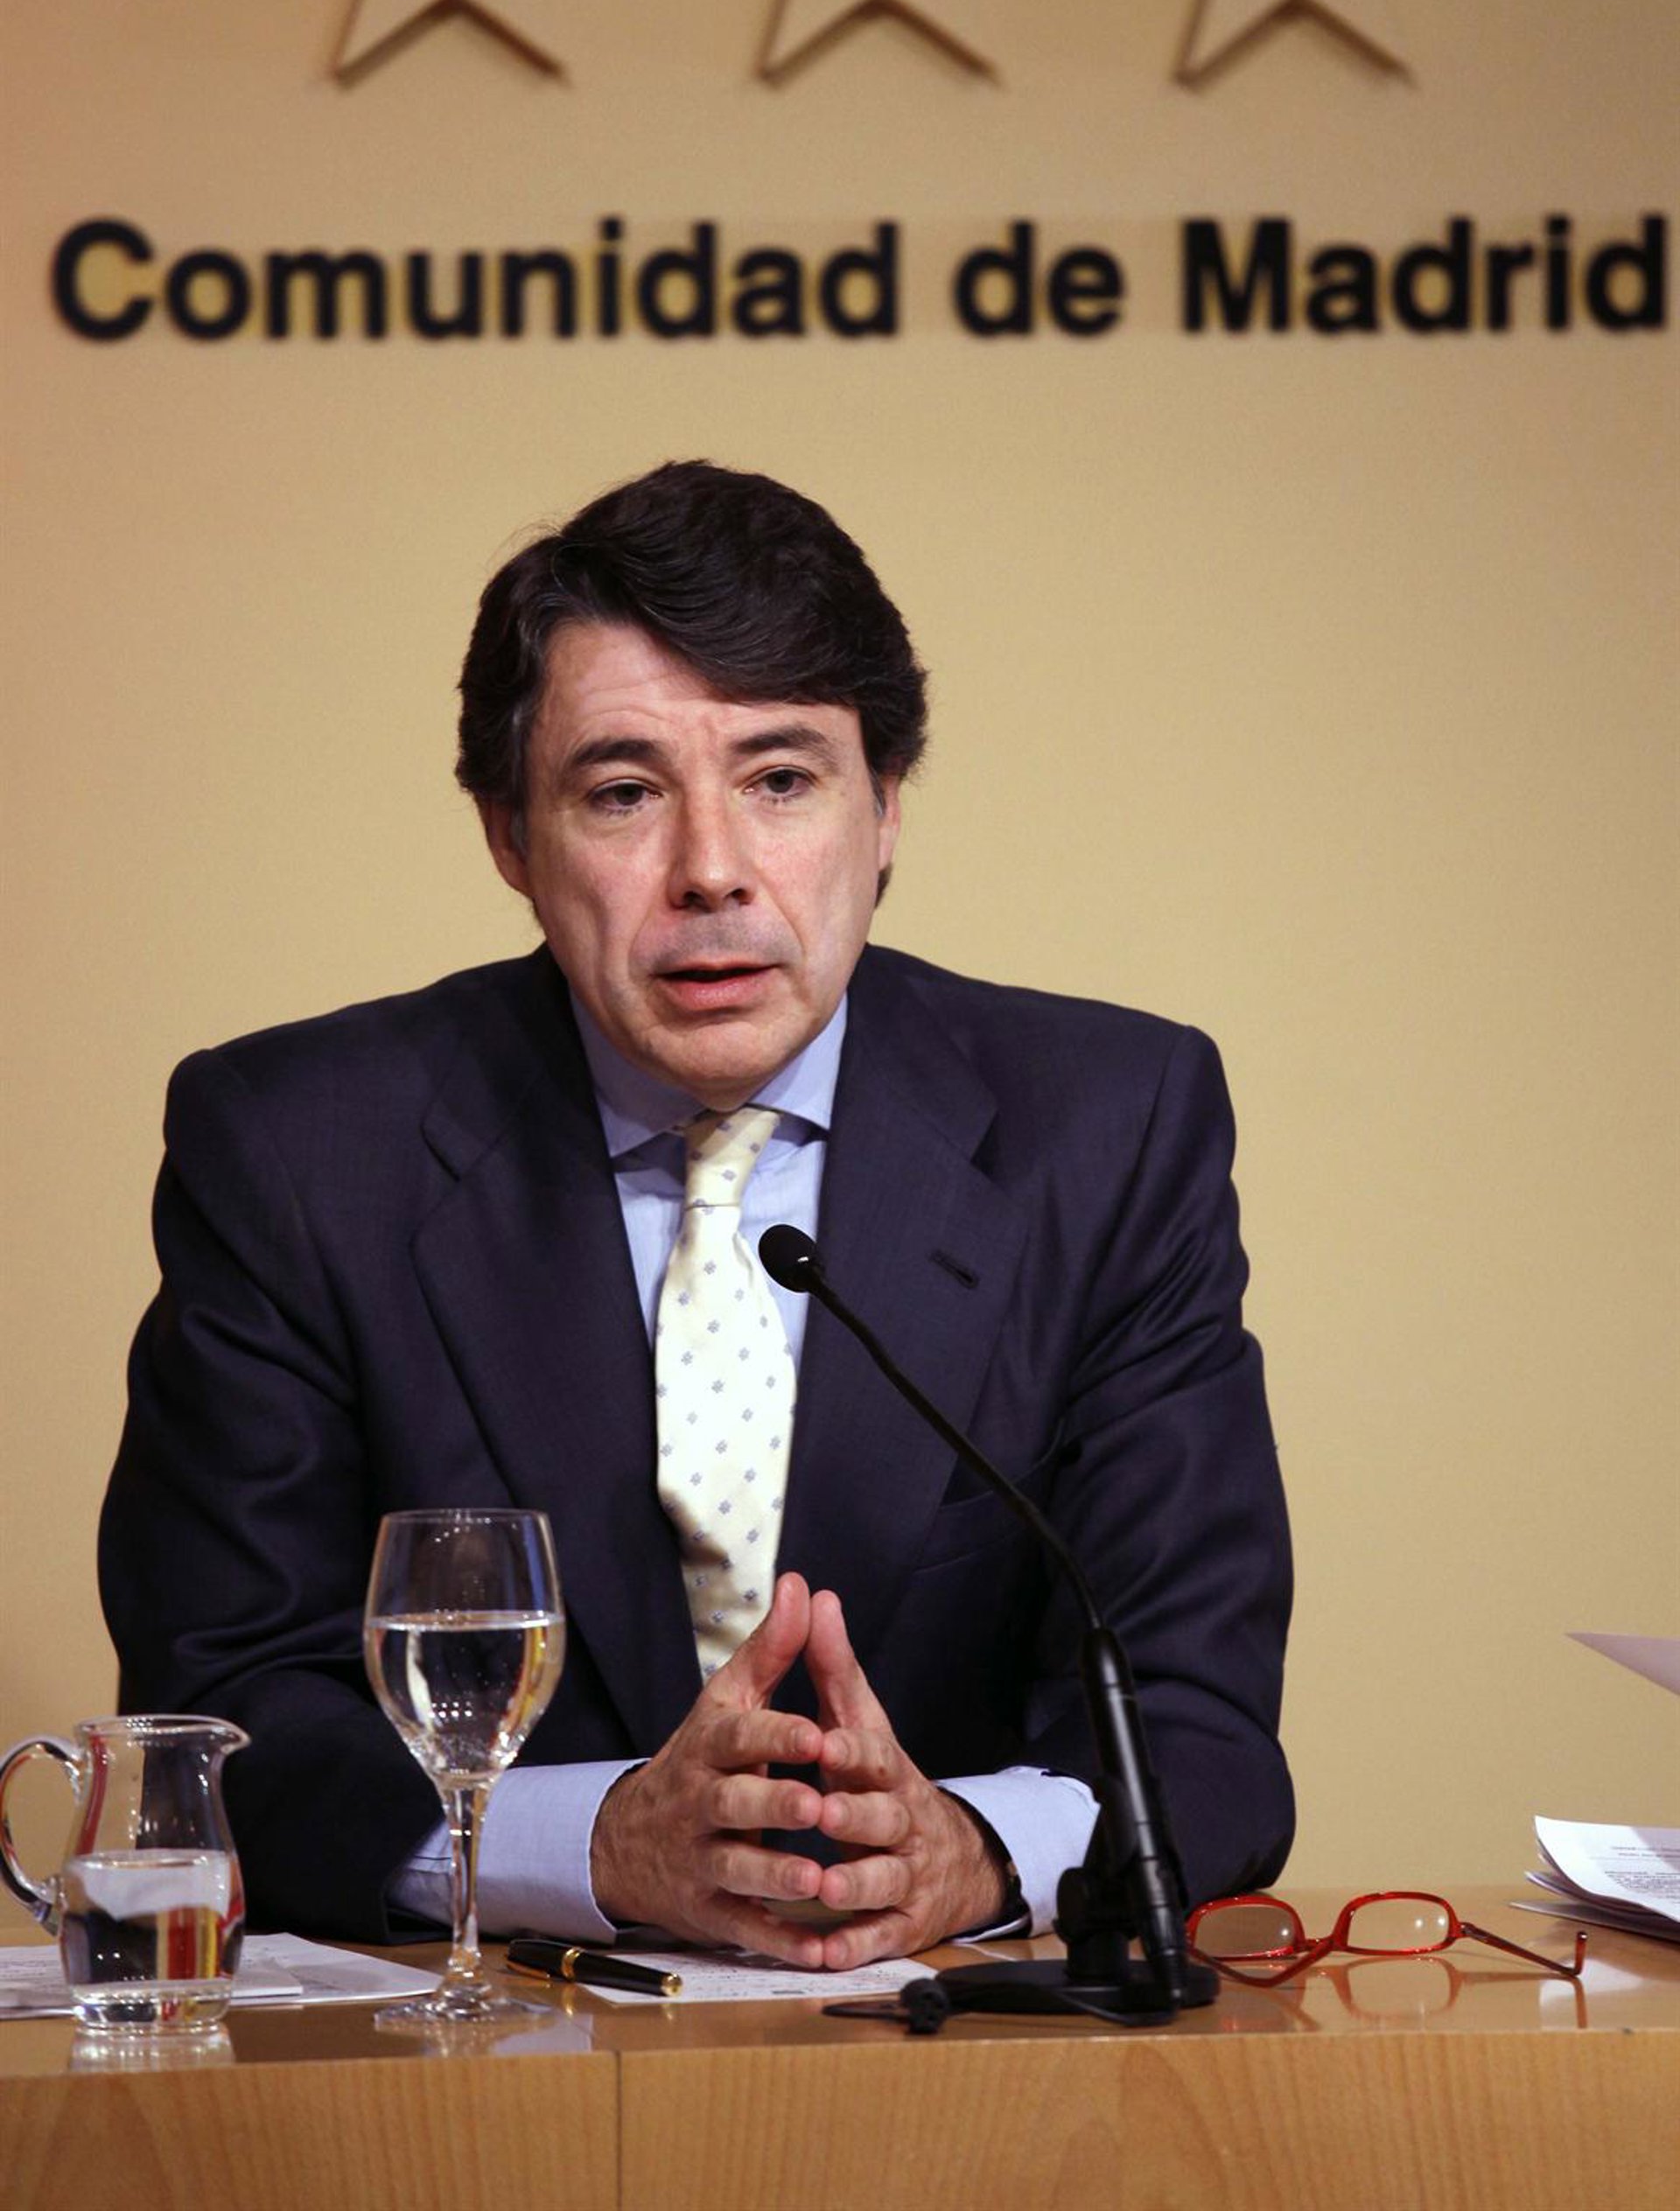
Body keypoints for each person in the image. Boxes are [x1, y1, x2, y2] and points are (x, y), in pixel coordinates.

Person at [101, 461, 1292, 1965]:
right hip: (485, 2053)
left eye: (781, 780)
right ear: (510, 838)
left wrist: (968, 1853)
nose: (712, 872)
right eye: (623, 793)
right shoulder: (298, 1148)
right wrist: (597, 1844)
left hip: (966, 2052)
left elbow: (1196, 1721)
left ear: (885, 811)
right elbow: (220, 1717)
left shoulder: (1110, 1130)